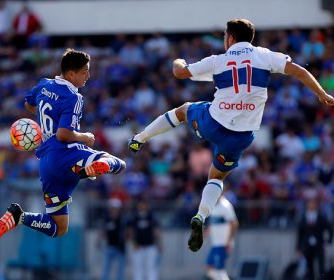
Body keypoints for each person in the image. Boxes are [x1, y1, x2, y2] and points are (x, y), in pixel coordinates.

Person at [128, 18, 334, 252]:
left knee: (184, 110)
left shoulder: (219, 61)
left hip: (214, 123)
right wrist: (322, 94)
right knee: (216, 177)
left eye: (225, 35)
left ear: (231, 38)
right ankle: (200, 216)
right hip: (241, 136)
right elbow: (299, 71)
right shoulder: (265, 56)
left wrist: (178, 60)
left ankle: (139, 138)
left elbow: (180, 72)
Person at [0, 48, 126, 239]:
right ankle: (94, 168)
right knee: (120, 164)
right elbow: (64, 135)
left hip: (47, 163)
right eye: (84, 71)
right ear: (71, 74)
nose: (88, 75)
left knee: (58, 227)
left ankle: (18, 216)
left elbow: (29, 104)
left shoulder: (44, 85)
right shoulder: (74, 97)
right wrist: (85, 136)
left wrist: (46, 126)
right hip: (67, 155)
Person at [296, 198, 333, 279]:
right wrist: (298, 248)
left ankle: (322, 278)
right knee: (309, 266)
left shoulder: (321, 217)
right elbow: (300, 234)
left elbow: (329, 229)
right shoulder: (304, 218)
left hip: (319, 245)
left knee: (321, 266)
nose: (311, 205)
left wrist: (328, 242)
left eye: (313, 203)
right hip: (307, 246)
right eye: (310, 203)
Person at [204, 195, 238, 280]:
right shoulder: (213, 205)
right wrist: (204, 236)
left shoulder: (226, 206)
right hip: (215, 244)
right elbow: (212, 224)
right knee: (210, 268)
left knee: (218, 269)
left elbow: (234, 223)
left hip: (223, 243)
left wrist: (229, 241)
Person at [128, 198, 162, 280]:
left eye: (144, 204)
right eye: (141, 204)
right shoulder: (134, 217)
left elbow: (156, 231)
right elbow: (130, 231)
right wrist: (134, 243)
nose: (142, 206)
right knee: (138, 268)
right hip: (138, 246)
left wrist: (159, 244)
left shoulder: (151, 216)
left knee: (151, 268)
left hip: (150, 246)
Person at [99, 198, 129, 280]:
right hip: (109, 246)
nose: (113, 210)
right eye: (111, 208)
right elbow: (104, 230)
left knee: (120, 270)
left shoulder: (123, 219)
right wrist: (99, 239)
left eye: (115, 208)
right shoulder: (107, 219)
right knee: (106, 268)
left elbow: (127, 232)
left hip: (120, 247)